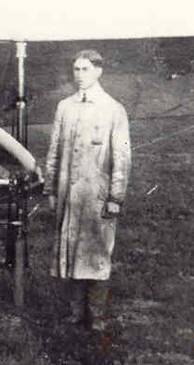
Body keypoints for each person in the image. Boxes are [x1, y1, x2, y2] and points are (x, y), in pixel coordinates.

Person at [43, 50, 131, 331]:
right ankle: (75, 311)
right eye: (76, 69)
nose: (79, 75)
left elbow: (122, 158)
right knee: (70, 251)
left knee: (96, 252)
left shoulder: (113, 109)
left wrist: (115, 197)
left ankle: (97, 316)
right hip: (68, 195)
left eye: (85, 69)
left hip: (97, 195)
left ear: (99, 71)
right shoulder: (65, 107)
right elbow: (54, 151)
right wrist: (51, 189)